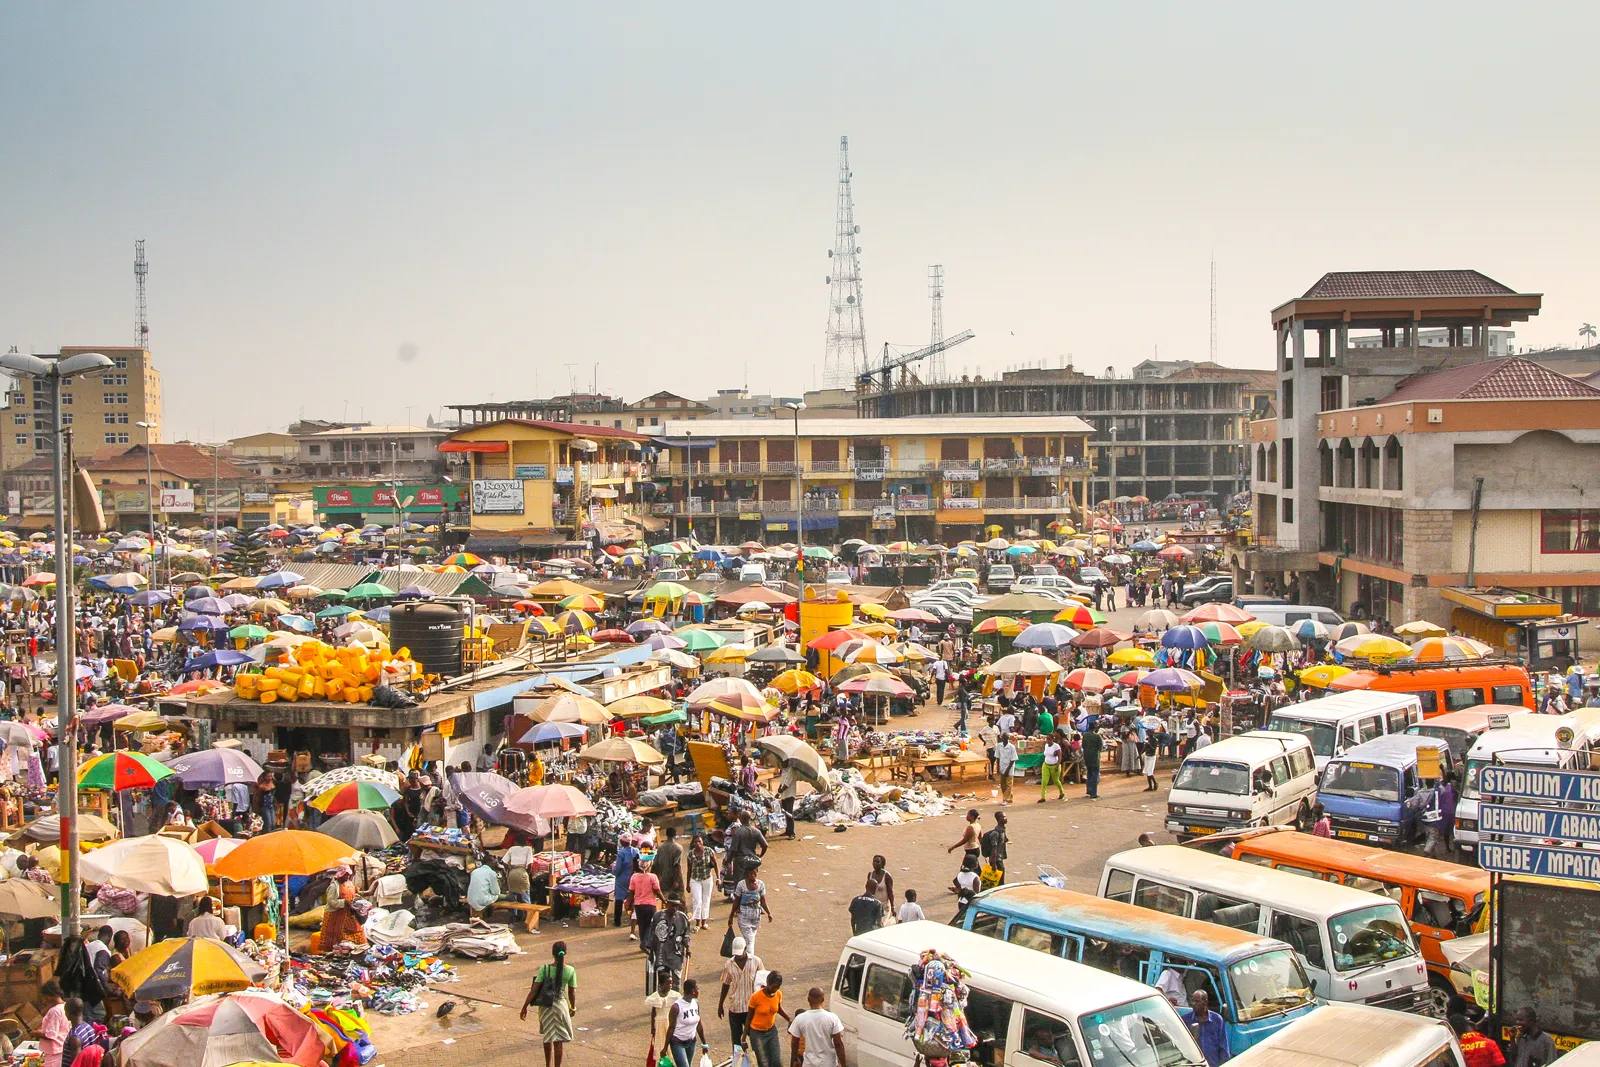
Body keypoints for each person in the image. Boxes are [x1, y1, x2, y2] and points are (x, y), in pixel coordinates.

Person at [521, 941, 577, 1067]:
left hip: (545, 1008)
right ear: (565, 953)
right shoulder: (570, 970)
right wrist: (573, 1007)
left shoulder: (544, 969)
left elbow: (534, 990)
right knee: (558, 1042)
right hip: (560, 1007)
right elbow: (572, 992)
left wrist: (524, 1007)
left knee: (548, 1037)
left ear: (553, 954)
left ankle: (548, 1065)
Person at [718, 936, 763, 1054]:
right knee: (736, 1042)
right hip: (735, 1007)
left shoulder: (756, 961)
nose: (737, 956)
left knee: (755, 1040)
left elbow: (762, 982)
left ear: (745, 949)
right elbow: (726, 984)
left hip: (751, 1008)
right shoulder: (729, 964)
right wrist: (720, 1004)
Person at [788, 987, 847, 1067]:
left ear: (808, 999)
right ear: (823, 999)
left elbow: (794, 1042)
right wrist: (843, 1064)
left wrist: (795, 1059)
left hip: (809, 1064)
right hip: (828, 1063)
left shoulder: (800, 1018)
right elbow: (838, 1043)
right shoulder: (832, 1018)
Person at [746, 971, 790, 1067]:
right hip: (757, 1034)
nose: (775, 989)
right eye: (773, 986)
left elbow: (778, 1008)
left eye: (778, 987)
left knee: (776, 1061)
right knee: (763, 1063)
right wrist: (744, 1038)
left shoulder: (778, 994)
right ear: (768, 983)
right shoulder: (756, 997)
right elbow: (749, 1018)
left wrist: (789, 1019)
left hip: (771, 1031)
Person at [319, 865, 367, 950]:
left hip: (348, 913)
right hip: (335, 916)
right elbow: (330, 902)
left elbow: (352, 895)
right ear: (340, 875)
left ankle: (357, 948)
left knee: (356, 930)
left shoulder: (350, 884)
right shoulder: (334, 887)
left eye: (348, 875)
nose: (347, 876)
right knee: (337, 936)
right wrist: (344, 902)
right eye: (345, 875)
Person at [648, 895, 692, 984]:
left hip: (676, 955)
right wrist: (651, 953)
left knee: (676, 981)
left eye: (677, 906)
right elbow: (652, 935)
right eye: (673, 905)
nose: (675, 908)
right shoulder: (658, 916)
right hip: (661, 954)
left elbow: (686, 934)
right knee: (663, 981)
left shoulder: (682, 918)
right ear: (667, 904)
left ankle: (675, 997)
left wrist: (688, 948)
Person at [728, 864, 772, 953]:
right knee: (750, 939)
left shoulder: (760, 884)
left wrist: (769, 913)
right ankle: (750, 958)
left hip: (756, 917)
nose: (753, 876)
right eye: (751, 874)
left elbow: (763, 901)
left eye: (754, 874)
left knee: (751, 937)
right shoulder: (741, 885)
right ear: (747, 874)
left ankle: (745, 955)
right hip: (743, 916)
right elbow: (736, 901)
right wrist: (731, 915)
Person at [1180, 988, 1229, 1067]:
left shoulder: (1217, 1020)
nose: (1193, 1004)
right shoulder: (1186, 1020)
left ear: (1205, 1002)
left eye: (1197, 1001)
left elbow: (1223, 1047)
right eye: (1192, 1001)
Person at [666, 977, 708, 1067]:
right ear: (693, 991)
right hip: (677, 1043)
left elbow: (699, 1024)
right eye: (697, 989)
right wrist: (665, 1047)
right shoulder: (676, 1007)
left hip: (691, 1042)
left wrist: (704, 1043)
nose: (698, 991)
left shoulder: (696, 1003)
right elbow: (671, 1028)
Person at [625, 856, 662, 947]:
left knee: (642, 925)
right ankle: (645, 943)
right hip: (650, 905)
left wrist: (628, 903)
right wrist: (664, 900)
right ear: (650, 865)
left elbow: (631, 892)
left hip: (638, 905)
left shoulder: (634, 877)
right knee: (651, 924)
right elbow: (657, 891)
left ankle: (643, 942)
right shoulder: (653, 877)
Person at [687, 833, 717, 931]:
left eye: (699, 841)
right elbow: (689, 869)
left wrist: (718, 878)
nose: (698, 843)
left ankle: (704, 921)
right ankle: (697, 922)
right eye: (696, 842)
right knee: (697, 900)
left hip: (707, 878)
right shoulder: (691, 854)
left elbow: (716, 864)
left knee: (706, 900)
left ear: (702, 842)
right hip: (695, 879)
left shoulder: (709, 851)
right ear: (693, 843)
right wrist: (687, 884)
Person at [612, 836, 641, 928]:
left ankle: (617, 921)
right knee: (633, 898)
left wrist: (613, 868)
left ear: (622, 842)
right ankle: (634, 919)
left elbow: (617, 869)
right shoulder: (636, 851)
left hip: (622, 879)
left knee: (619, 900)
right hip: (633, 878)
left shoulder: (621, 853)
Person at [37, 981, 67, 1067]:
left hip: (54, 1050)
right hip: (61, 1047)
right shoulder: (64, 1006)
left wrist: (36, 1033)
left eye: (44, 996)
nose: (44, 999)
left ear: (49, 996)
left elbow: (50, 1035)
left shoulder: (55, 1011)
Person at [655, 825, 685, 902]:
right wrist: (676, 881)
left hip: (664, 877)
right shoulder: (678, 848)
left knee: (665, 899)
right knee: (679, 899)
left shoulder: (660, 848)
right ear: (675, 835)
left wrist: (659, 878)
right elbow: (677, 866)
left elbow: (656, 865)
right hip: (674, 877)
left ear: (666, 835)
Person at [981, 811, 1008, 885]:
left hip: (999, 858)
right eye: (1004, 817)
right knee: (999, 881)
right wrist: (993, 864)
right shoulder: (995, 834)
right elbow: (994, 849)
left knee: (1000, 879)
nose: (1006, 818)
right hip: (996, 860)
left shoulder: (1002, 830)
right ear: (999, 819)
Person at [993, 732, 1017, 804]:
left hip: (1009, 767)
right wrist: (998, 768)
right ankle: (1010, 797)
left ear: (1008, 739)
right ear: (1001, 738)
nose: (1004, 740)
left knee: (1009, 784)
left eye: (1006, 738)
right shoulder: (999, 746)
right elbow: (998, 757)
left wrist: (1007, 769)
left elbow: (1013, 759)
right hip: (1002, 767)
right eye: (1003, 738)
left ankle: (1005, 799)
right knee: (1003, 784)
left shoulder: (1012, 747)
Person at [1040, 733, 1065, 802]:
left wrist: (1057, 766)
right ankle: (1043, 797)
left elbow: (1060, 757)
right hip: (1046, 765)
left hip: (1054, 765)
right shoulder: (1046, 746)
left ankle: (1062, 792)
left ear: (1052, 739)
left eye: (1049, 739)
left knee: (1056, 781)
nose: (1047, 741)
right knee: (1044, 781)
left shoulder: (1056, 746)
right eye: (1046, 739)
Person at [1081, 723, 1103, 799]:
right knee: (1095, 774)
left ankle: (1089, 790)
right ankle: (1093, 793)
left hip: (1087, 756)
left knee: (1089, 773)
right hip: (1094, 757)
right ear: (1095, 728)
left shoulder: (1085, 735)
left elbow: (1083, 746)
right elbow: (1100, 747)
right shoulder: (1097, 736)